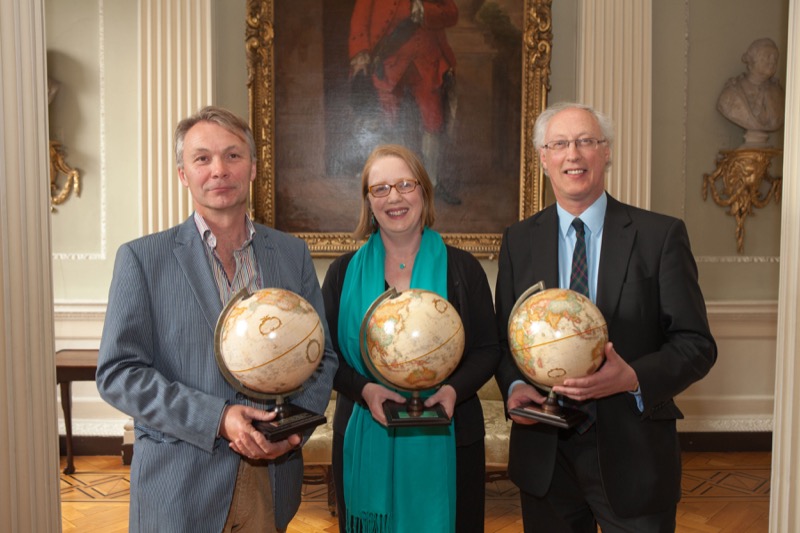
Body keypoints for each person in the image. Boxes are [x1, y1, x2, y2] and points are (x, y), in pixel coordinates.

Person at [95, 106, 337, 533]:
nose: (219, 170)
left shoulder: (291, 254)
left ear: (253, 168)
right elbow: (119, 374)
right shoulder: (141, 259)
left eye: (233, 155)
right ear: (183, 174)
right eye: (202, 158)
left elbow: (322, 356)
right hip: (180, 480)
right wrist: (218, 418)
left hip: (271, 476)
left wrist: (290, 427)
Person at [494, 102, 717, 532]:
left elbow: (696, 345)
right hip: (546, 459)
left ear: (607, 152)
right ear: (543, 157)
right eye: (559, 144)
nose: (572, 155)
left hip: (634, 456)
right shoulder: (518, 241)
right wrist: (517, 386)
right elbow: (505, 341)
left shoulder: (659, 236)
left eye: (585, 142)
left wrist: (631, 377)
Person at [321, 144, 500, 532]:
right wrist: (365, 390)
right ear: (368, 203)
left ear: (424, 192)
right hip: (362, 432)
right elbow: (326, 356)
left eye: (405, 184)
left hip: (452, 438)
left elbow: (488, 348)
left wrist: (453, 390)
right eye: (380, 188)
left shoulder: (463, 269)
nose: (395, 197)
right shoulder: (342, 272)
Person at [349, 0, 461, 204]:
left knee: (433, 121)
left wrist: (425, 11)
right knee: (387, 122)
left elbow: (452, 13)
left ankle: (432, 184)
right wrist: (361, 53)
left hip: (428, 62)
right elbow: (360, 19)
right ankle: (386, 186)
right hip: (388, 63)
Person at [717, 37, 785, 145]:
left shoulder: (779, 93)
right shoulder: (732, 92)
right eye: (767, 56)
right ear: (753, 59)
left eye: (775, 58)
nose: (772, 61)